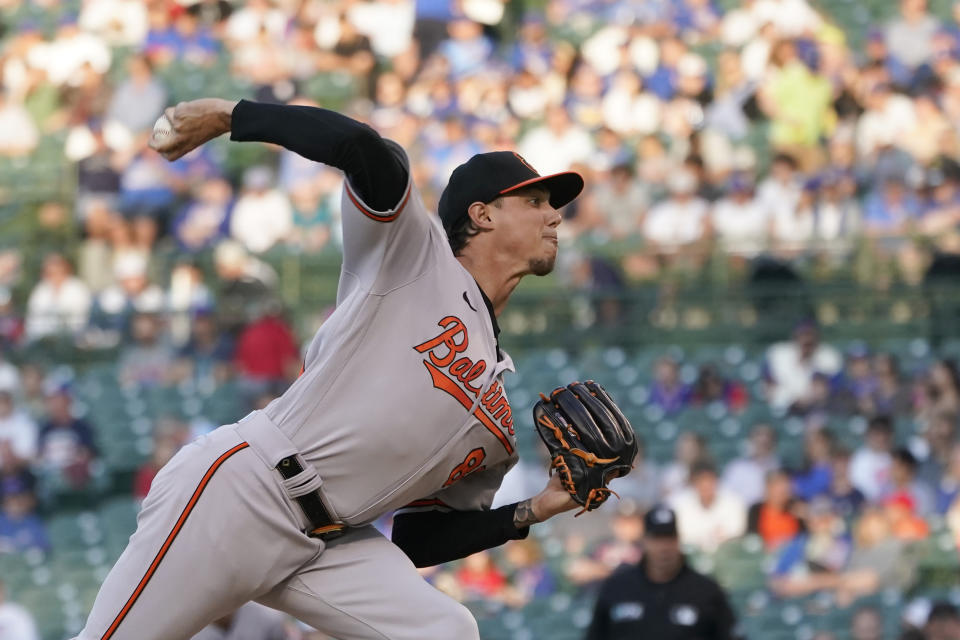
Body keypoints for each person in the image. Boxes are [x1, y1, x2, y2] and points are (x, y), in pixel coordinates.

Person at [75, 96, 587, 640]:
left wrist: (533, 509)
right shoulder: (415, 257)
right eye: (534, 201)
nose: (555, 214)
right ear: (482, 214)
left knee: (447, 631)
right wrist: (230, 115)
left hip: (331, 543)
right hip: (251, 490)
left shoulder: (497, 407)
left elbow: (419, 539)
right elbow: (364, 149)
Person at [584, 505, 742, 640]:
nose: (664, 547)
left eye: (669, 538)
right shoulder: (617, 587)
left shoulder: (706, 591)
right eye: (657, 538)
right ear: (644, 541)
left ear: (678, 540)